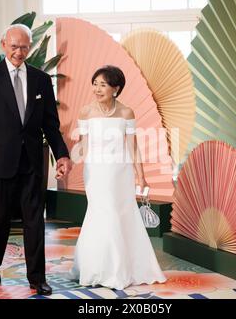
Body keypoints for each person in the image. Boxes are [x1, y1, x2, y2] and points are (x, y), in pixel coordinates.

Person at [0, 24, 72, 296]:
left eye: (24, 47)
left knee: (34, 221)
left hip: (31, 163)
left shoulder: (40, 79)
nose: (19, 52)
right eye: (14, 46)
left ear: (30, 47)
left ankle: (37, 278)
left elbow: (51, 123)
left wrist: (61, 153)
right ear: (4, 44)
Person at [70, 65, 167, 290]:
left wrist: (140, 176)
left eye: (103, 84)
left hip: (120, 172)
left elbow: (133, 147)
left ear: (116, 88)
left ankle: (120, 269)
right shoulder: (86, 112)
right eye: (95, 84)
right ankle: (97, 268)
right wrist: (70, 163)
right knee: (100, 214)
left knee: (120, 214)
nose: (97, 89)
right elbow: (82, 145)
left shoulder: (126, 113)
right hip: (95, 172)